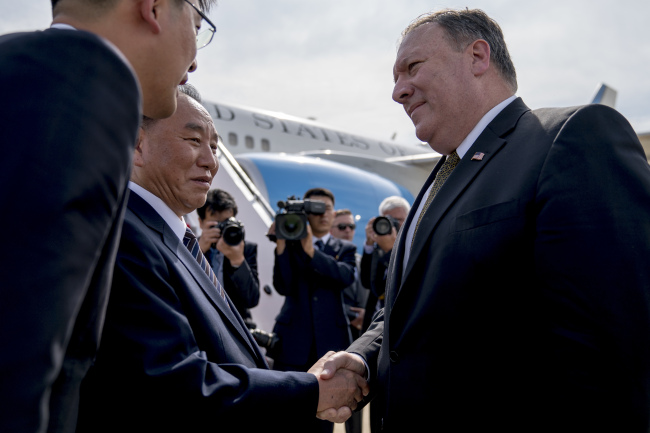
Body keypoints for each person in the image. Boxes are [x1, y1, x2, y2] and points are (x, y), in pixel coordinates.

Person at [320, 8, 650, 432]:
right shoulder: (443, 175)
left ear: (478, 56)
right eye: (394, 78)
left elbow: (616, 352)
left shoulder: (571, 138)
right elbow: (411, 310)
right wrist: (364, 356)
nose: (398, 92)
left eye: (412, 68)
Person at [76, 84, 367, 432]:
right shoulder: (124, 235)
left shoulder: (168, 235)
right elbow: (172, 383)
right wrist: (310, 392)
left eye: (214, 147)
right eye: (193, 141)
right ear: (138, 144)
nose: (211, 162)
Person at [0, 1, 214, 432]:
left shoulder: (22, 69)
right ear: (153, 8)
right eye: (197, 25)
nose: (194, 60)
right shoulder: (78, 87)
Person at [270, 188, 357, 433]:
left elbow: (346, 276)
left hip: (329, 344)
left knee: (323, 421)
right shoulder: (290, 242)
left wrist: (311, 252)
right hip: (292, 344)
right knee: (286, 416)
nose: (321, 215)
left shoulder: (345, 248)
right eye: (314, 209)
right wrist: (281, 245)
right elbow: (282, 285)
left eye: (326, 209)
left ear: (334, 212)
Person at [196, 189, 260, 326]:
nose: (222, 229)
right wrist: (198, 251)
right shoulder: (189, 248)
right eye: (216, 225)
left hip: (235, 324)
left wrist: (237, 261)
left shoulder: (246, 249)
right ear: (201, 223)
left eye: (227, 223)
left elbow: (252, 300)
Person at [330, 209, 366, 433]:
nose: (347, 231)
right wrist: (350, 316)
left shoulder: (363, 262)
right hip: (330, 342)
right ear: (331, 230)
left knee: (356, 404)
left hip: (359, 343)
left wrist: (366, 316)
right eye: (342, 226)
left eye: (351, 227)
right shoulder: (321, 262)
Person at [360, 196, 410, 333]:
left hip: (399, 326)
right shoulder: (379, 248)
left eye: (398, 220)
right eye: (388, 220)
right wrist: (369, 245)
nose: (394, 225)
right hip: (372, 325)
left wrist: (391, 250)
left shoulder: (415, 247)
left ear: (410, 218)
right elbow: (367, 282)